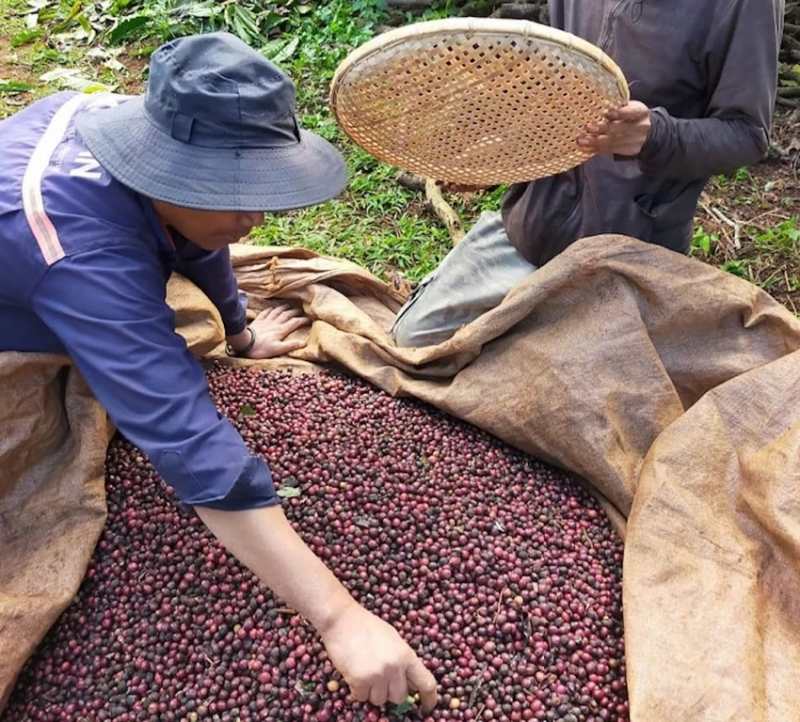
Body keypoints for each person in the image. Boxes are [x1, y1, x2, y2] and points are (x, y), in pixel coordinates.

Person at [0, 32, 437, 712]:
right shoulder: (81, 252)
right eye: (231, 195)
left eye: (260, 190)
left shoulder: (153, 135)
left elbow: (196, 242)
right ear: (159, 172)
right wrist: (340, 618)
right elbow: (187, 441)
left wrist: (239, 332)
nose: (253, 218)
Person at [391, 0, 785, 347]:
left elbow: (746, 134)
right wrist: (501, 159)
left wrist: (654, 136)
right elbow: (554, 91)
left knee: (566, 407)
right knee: (411, 340)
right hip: (533, 227)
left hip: (627, 256)